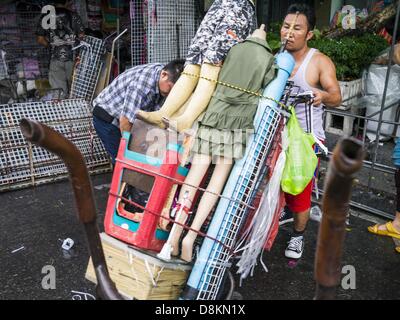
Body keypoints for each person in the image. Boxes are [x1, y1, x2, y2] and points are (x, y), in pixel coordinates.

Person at [280, 4, 342, 260]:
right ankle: (280, 214)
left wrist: (323, 95)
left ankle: (297, 236)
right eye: (286, 26)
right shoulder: (276, 57)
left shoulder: (318, 61)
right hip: (276, 136)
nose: (289, 33)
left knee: (300, 191)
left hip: (308, 140)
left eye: (297, 28)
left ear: (309, 34)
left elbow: (337, 96)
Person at [92, 59, 185, 164]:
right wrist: (132, 149)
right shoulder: (142, 84)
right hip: (108, 119)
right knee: (124, 161)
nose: (170, 94)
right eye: (170, 88)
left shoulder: (162, 80)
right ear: (164, 75)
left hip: (126, 120)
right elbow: (126, 121)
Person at [36, 0, 85, 98]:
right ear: (67, 2)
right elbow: (82, 36)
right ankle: (74, 109)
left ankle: (61, 110)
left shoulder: (46, 17)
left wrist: (51, 45)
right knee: (75, 90)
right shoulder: (75, 16)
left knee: (59, 93)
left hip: (55, 59)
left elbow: (40, 39)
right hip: (74, 59)